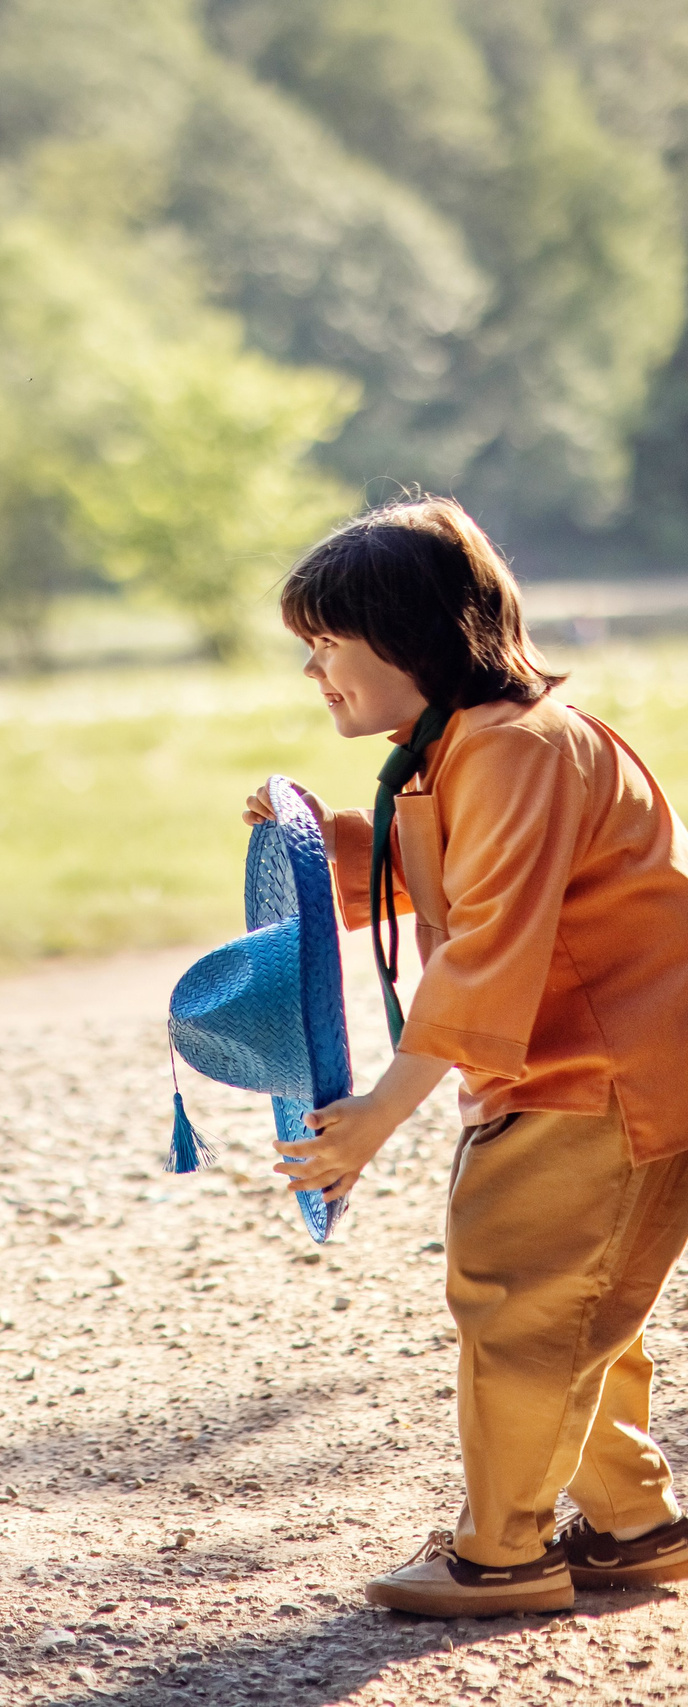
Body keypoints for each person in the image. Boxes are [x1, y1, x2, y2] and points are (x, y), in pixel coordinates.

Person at [249, 494, 688, 1617]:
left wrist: (380, 1111)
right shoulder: (464, 747)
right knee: (577, 1308)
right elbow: (446, 873)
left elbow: (489, 939)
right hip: (589, 1074)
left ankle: (502, 1553)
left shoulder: (513, 751)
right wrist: (316, 841)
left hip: (601, 1080)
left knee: (522, 1301)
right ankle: (634, 1524)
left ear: (412, 639)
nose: (314, 672)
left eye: (327, 645)